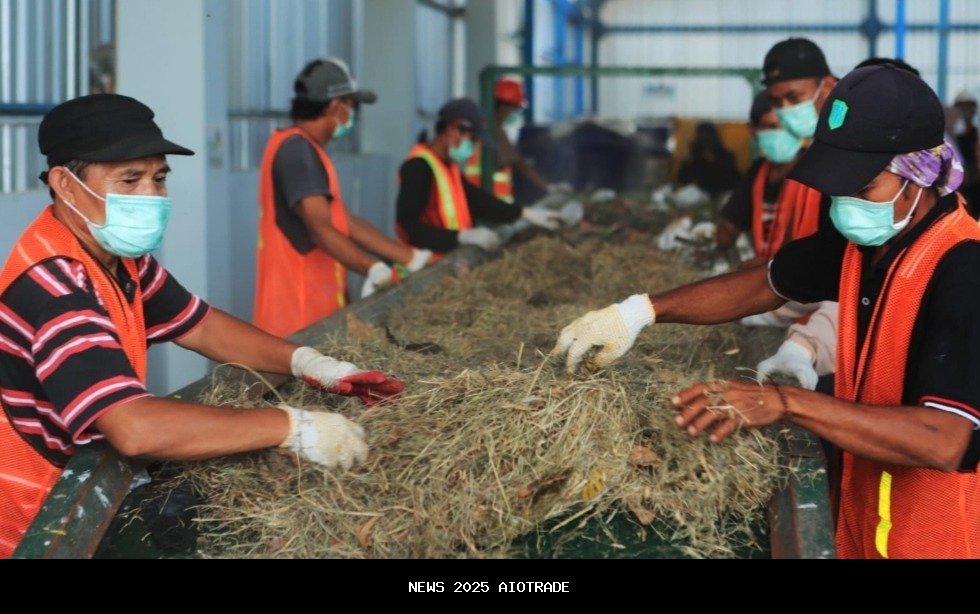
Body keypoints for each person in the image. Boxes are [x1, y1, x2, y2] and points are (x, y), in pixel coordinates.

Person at [555, 65, 979, 559]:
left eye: (862, 190)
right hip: (872, 527)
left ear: (919, 174)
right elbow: (767, 281)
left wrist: (786, 402)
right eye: (837, 189)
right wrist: (640, 311)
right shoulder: (868, 242)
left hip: (941, 540)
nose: (845, 205)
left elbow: (942, 439)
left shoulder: (963, 268)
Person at [0, 94, 405, 557]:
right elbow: (134, 428)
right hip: (44, 522)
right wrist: (292, 427)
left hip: (90, 488)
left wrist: (308, 362)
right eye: (129, 180)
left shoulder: (118, 258)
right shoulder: (55, 285)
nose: (151, 196)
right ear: (65, 185)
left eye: (158, 178)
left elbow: (202, 326)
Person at [254, 58, 432, 338]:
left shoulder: (306, 148)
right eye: (353, 106)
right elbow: (320, 229)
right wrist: (370, 267)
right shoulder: (297, 152)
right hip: (298, 318)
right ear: (336, 106)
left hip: (315, 313)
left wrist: (409, 257)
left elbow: (342, 221)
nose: (354, 115)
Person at [396, 98, 563, 254]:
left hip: (447, 261)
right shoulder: (418, 167)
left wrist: (524, 213)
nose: (473, 146)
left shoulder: (448, 168)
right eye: (472, 139)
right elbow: (408, 226)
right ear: (453, 130)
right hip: (423, 270)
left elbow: (478, 201)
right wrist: (460, 237)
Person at [463, 77, 555, 203]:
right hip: (485, 205)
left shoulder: (494, 129)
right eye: (514, 108)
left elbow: (517, 161)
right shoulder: (487, 131)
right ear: (503, 106)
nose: (513, 113)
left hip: (492, 205)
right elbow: (512, 160)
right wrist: (547, 186)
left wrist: (548, 186)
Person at [675, 122, 740, 201]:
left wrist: (715, 161)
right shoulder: (695, 157)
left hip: (721, 192)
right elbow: (682, 178)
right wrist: (688, 160)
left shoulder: (726, 156)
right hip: (700, 193)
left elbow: (732, 178)